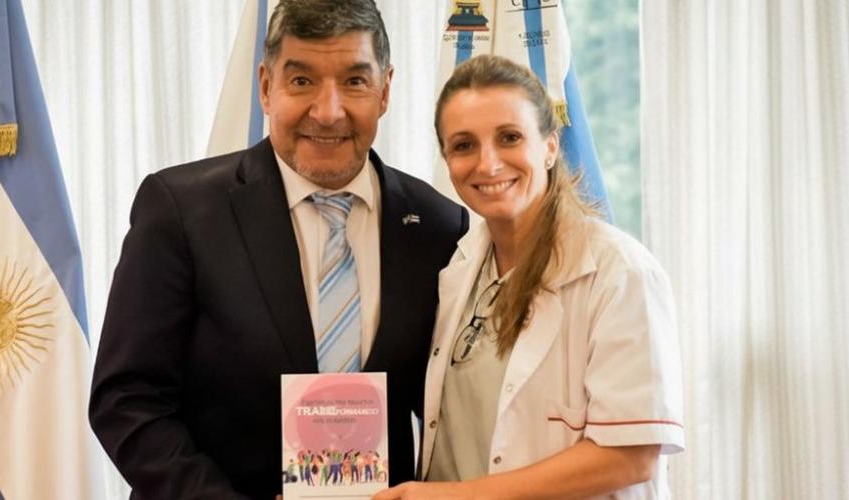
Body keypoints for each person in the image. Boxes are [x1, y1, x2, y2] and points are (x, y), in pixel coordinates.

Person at [88, 1, 468, 498]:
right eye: (302, 81)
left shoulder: (439, 226)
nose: (328, 112)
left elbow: (448, 403)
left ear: (385, 90)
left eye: (354, 81)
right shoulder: (180, 211)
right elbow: (126, 399)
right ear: (266, 87)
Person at [373, 55, 684, 499]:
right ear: (446, 159)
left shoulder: (620, 272)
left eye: (509, 137)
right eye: (464, 145)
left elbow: (631, 456)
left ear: (550, 146)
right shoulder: (458, 267)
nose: (488, 164)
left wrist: (459, 497)